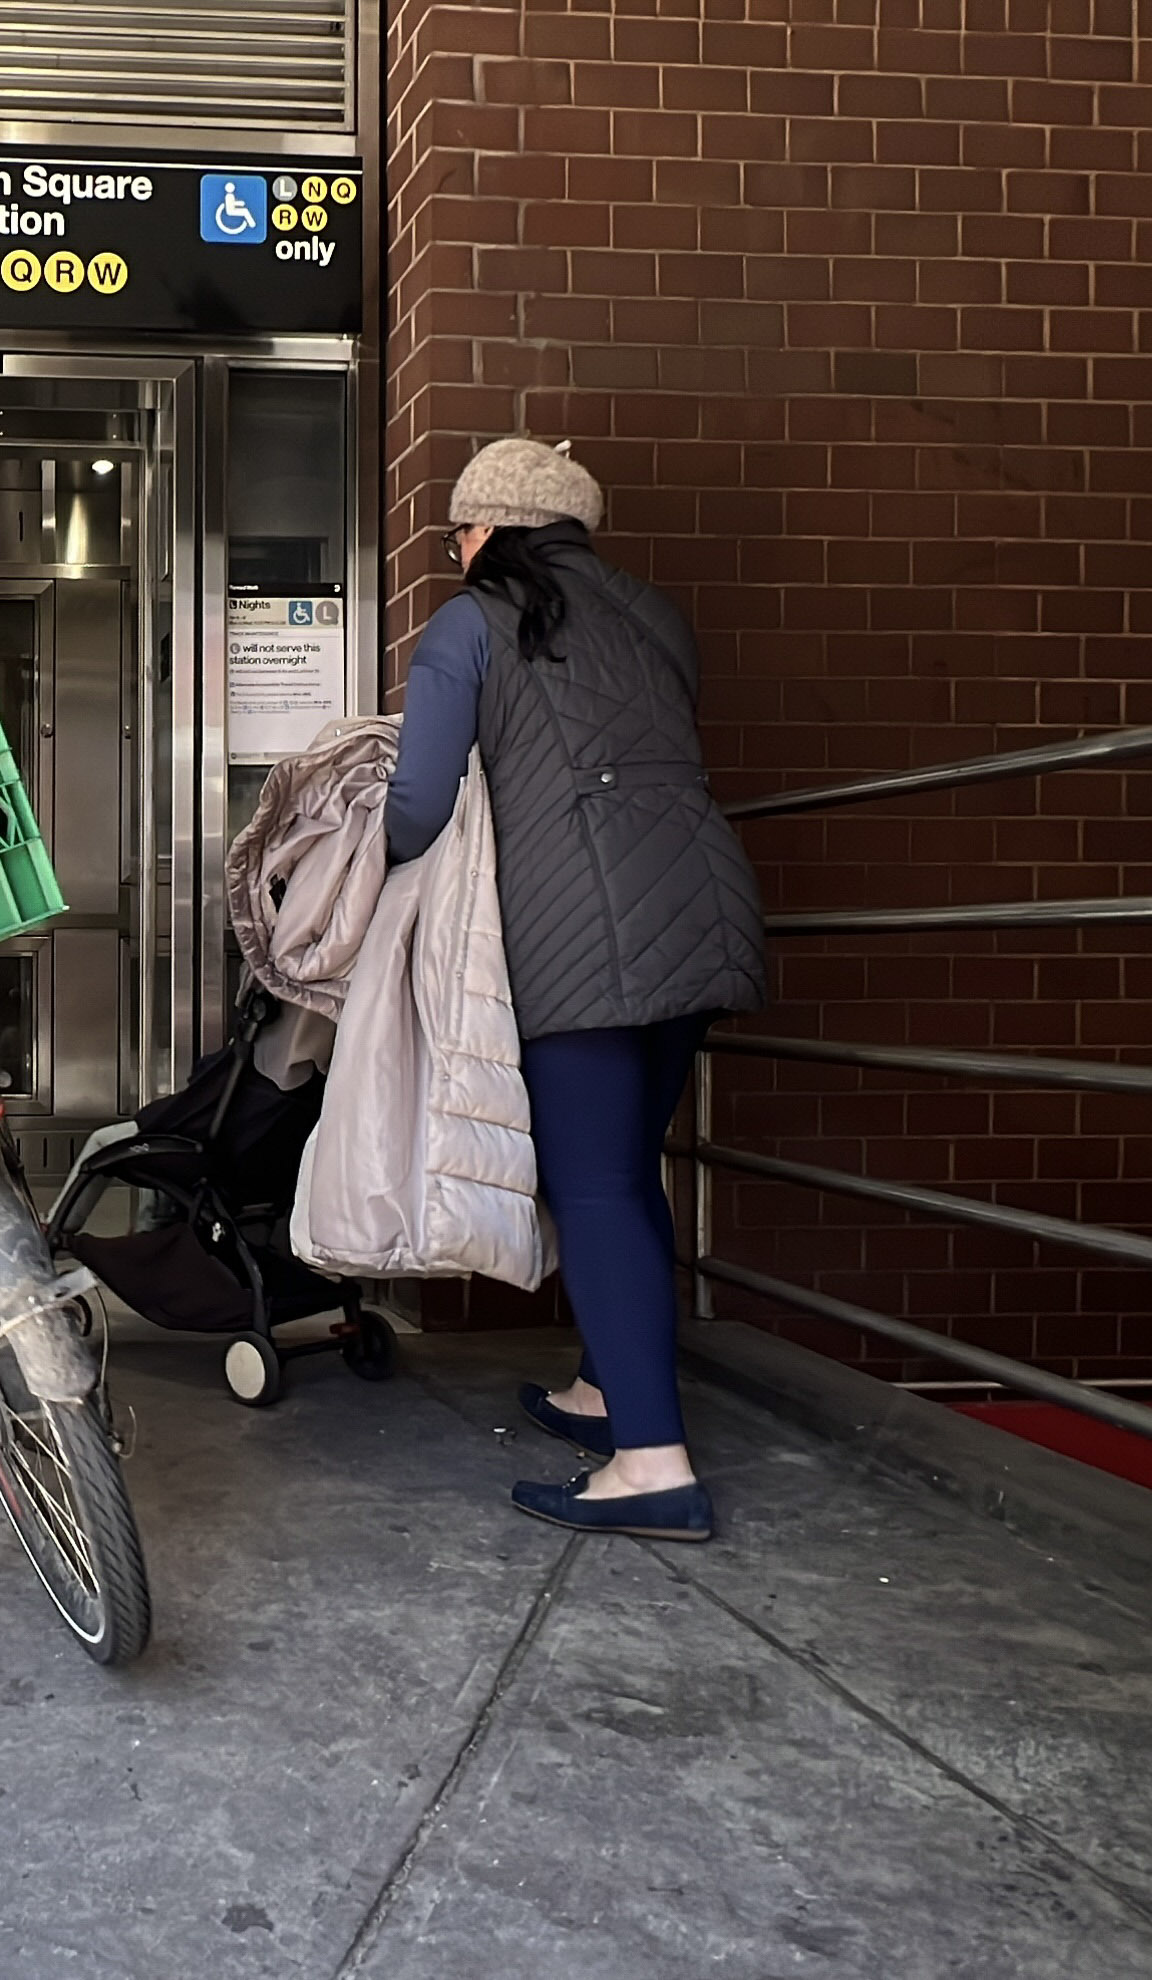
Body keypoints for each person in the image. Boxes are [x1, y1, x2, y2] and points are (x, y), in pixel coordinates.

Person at [383, 439, 768, 1542]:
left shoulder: (470, 624)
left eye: (457, 531)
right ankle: (609, 1392)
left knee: (590, 1183)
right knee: (625, 1167)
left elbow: (416, 804)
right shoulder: (656, 614)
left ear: (494, 527)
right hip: (701, 903)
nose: (454, 551)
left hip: (585, 932)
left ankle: (652, 1464)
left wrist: (377, 878)